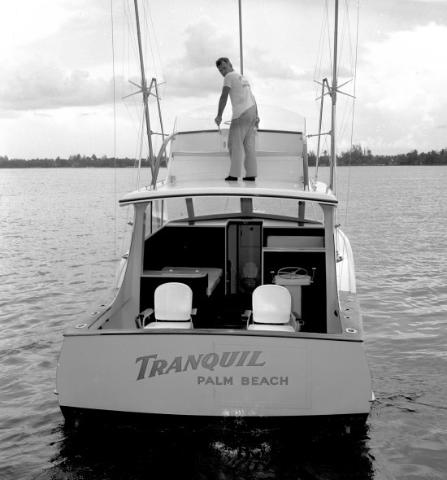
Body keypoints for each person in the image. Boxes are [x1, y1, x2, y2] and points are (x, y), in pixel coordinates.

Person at [214, 57, 259, 181]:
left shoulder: (229, 77)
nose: (223, 72)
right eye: (220, 70)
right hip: (252, 111)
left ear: (230, 64)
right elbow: (252, 96)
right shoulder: (242, 77)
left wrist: (219, 115)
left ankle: (234, 175)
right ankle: (251, 174)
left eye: (224, 67)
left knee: (234, 144)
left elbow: (224, 96)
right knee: (249, 145)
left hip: (241, 114)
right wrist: (257, 115)